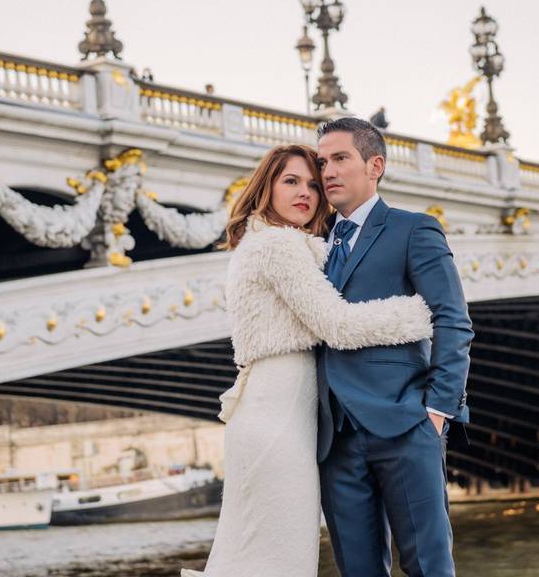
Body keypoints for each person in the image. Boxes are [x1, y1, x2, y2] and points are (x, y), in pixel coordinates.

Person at [183, 144, 433, 577]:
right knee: (278, 557)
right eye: (291, 181)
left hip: (276, 414)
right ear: (266, 187)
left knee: (258, 551)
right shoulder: (278, 247)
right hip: (276, 422)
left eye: (314, 185)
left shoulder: (273, 243)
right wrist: (422, 312)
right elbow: (337, 324)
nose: (306, 193)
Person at [316, 117, 473, 577]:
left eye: (340, 158)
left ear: (375, 165)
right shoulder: (311, 243)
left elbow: (453, 321)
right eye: (322, 162)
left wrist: (437, 413)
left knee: (428, 567)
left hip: (406, 426)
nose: (327, 171)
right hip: (337, 438)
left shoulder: (414, 230)